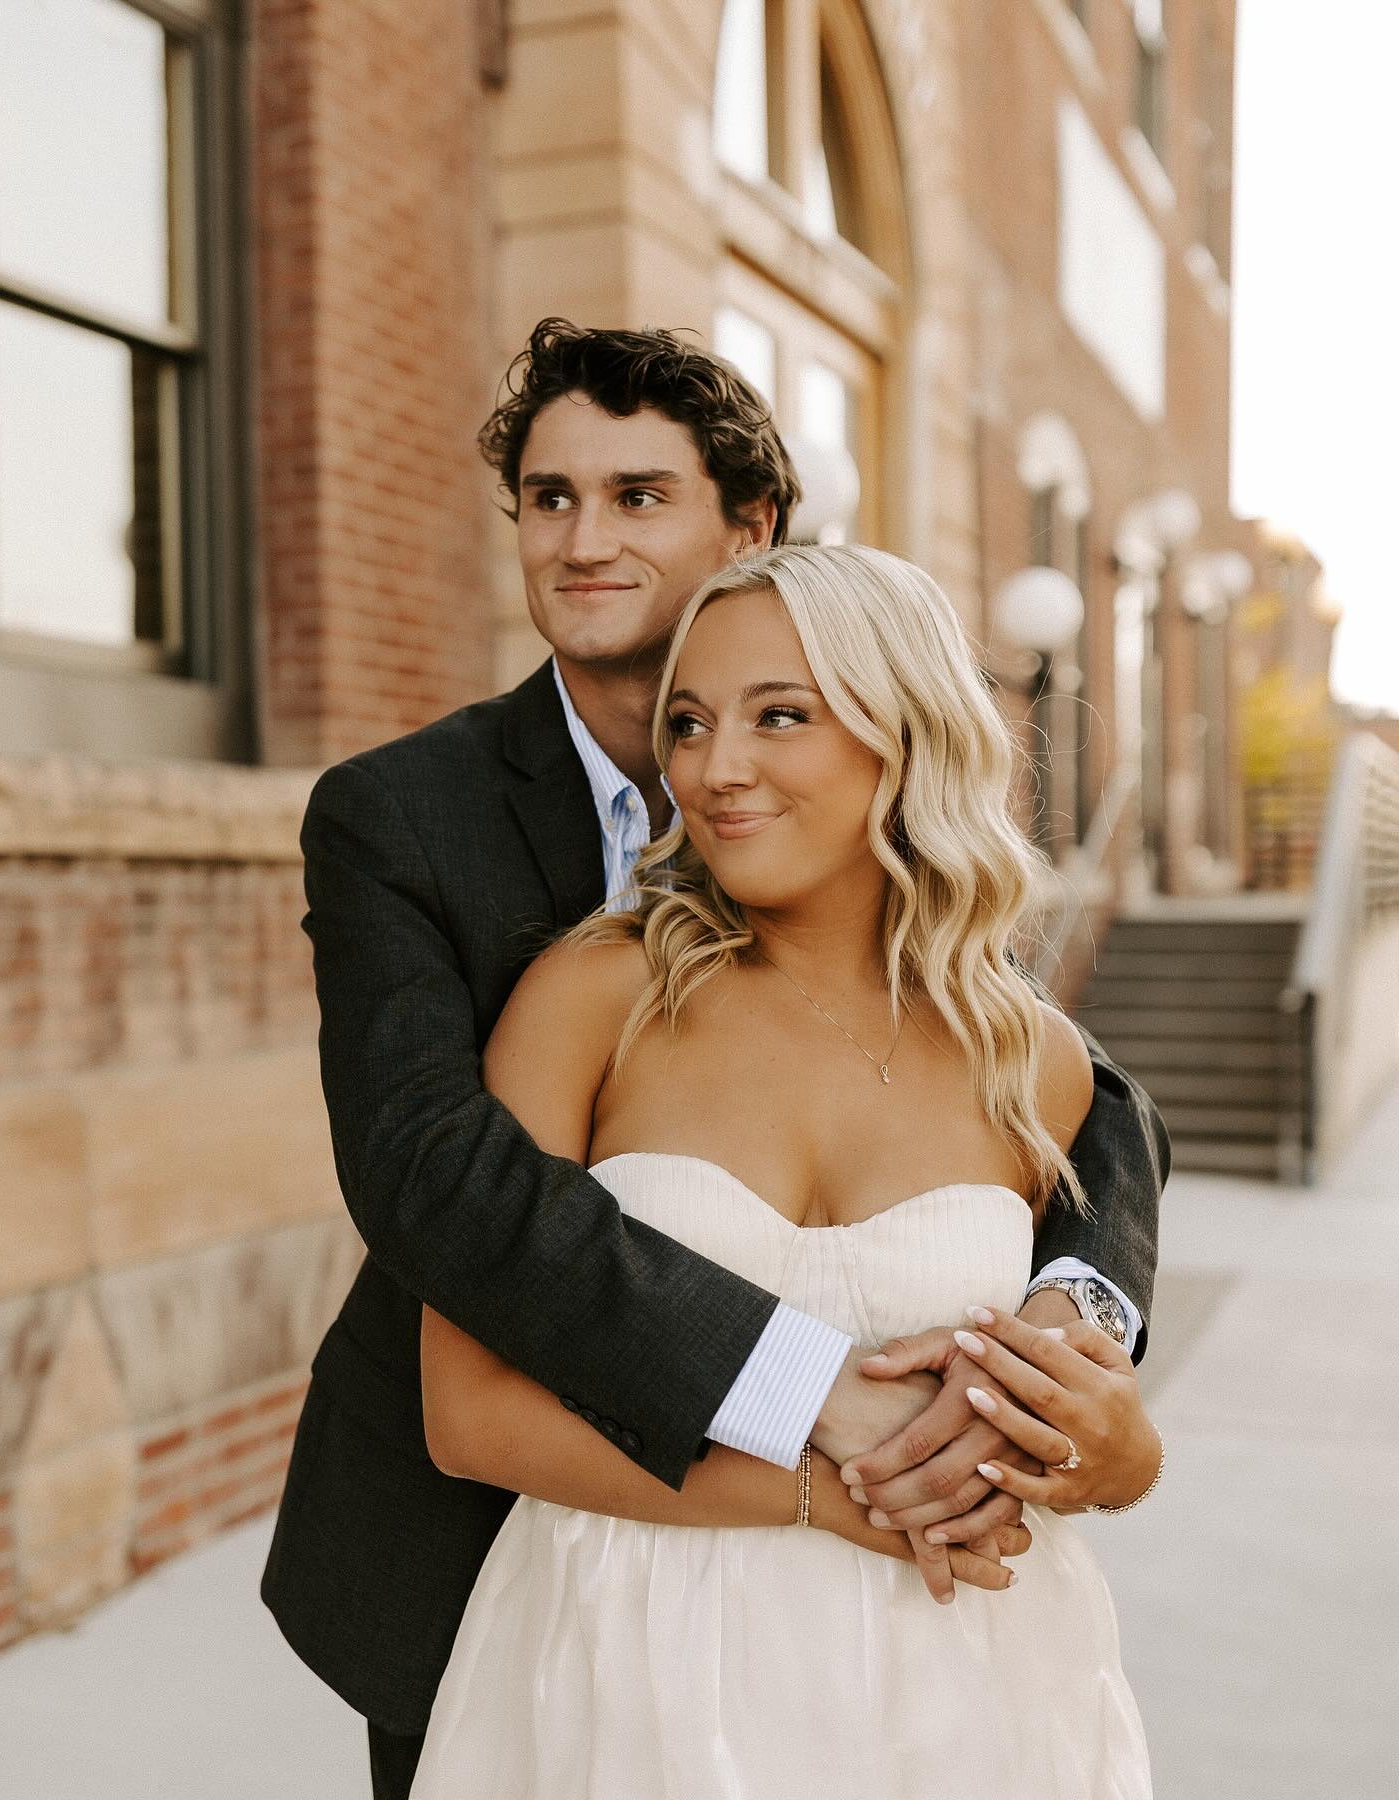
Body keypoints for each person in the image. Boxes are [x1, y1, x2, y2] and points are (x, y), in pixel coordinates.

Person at [260, 321, 1168, 1800]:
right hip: (518, 1572)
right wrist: (820, 1421)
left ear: (751, 525)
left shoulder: (987, 1017)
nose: (583, 540)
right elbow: (437, 1178)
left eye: (636, 496)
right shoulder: (409, 827)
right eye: (548, 499)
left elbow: (1089, 1117)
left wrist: (1093, 1352)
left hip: (947, 1666)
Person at [412, 543, 1159, 1797]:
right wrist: (825, 1500)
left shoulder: (1030, 1059)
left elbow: (1097, 1437)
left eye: (781, 716)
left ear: (901, 733)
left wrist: (1116, 1452)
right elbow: (469, 1413)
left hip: (965, 1683)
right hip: (627, 1670)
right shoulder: (592, 997)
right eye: (690, 722)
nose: (714, 768)